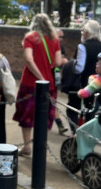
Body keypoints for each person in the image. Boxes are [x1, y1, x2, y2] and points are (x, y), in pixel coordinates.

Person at [12, 13, 63, 156]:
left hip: (30, 83)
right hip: (50, 85)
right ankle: (41, 144)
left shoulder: (30, 37)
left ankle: (27, 146)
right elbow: (58, 63)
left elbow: (28, 58)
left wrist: (39, 76)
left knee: (27, 114)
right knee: (46, 114)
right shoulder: (54, 39)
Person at [67, 20, 101, 130]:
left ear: (87, 32)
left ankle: (76, 134)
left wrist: (72, 64)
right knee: (96, 111)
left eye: (83, 31)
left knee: (73, 109)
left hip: (86, 84)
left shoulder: (83, 47)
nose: (82, 33)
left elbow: (79, 68)